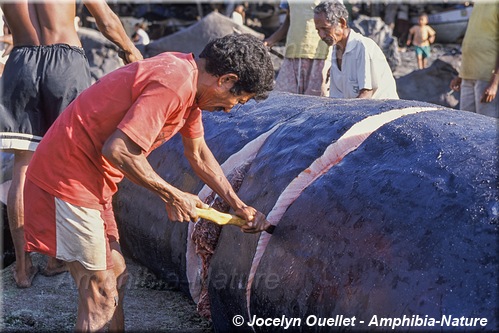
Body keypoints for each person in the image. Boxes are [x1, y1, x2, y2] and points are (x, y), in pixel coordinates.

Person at [23, 33, 274, 331]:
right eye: (237, 99)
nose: (231, 108)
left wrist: (238, 204)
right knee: (100, 291)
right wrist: (173, 195)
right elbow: (118, 150)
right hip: (67, 178)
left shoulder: (191, 89)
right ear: (226, 80)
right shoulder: (174, 82)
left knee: (116, 276)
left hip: (95, 182)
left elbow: (198, 155)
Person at [0, 0, 143, 289]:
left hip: (21, 62)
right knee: (70, 159)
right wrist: (132, 52)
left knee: (22, 169)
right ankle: (57, 258)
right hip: (65, 63)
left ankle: (23, 268)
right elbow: (107, 19)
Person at [313, 0, 399, 99]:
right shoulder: (335, 50)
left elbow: (365, 95)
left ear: (342, 23)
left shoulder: (363, 47)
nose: (321, 35)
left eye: (325, 29)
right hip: (354, 109)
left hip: (382, 111)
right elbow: (335, 97)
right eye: (318, 30)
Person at [264, 0, 330, 96]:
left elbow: (336, 19)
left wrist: (338, 53)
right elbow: (289, 20)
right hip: (292, 55)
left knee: (317, 103)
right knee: (282, 99)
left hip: (320, 55)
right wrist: (270, 41)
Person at [449, 2, 499, 118]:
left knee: (486, 125)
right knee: (466, 123)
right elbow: (474, 36)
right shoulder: (478, 4)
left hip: (487, 76)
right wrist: (461, 75)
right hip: (468, 75)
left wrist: (495, 82)